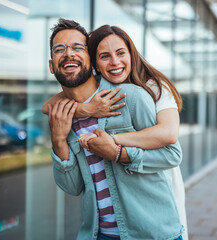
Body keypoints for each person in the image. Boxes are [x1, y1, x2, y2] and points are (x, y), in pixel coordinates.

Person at [44, 25, 188, 239]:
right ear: (51, 66)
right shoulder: (65, 115)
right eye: (59, 49)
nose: (69, 54)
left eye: (77, 47)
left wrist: (116, 151)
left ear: (89, 61)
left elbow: (171, 151)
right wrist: (58, 140)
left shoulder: (136, 95)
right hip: (98, 234)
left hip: (151, 232)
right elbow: (73, 188)